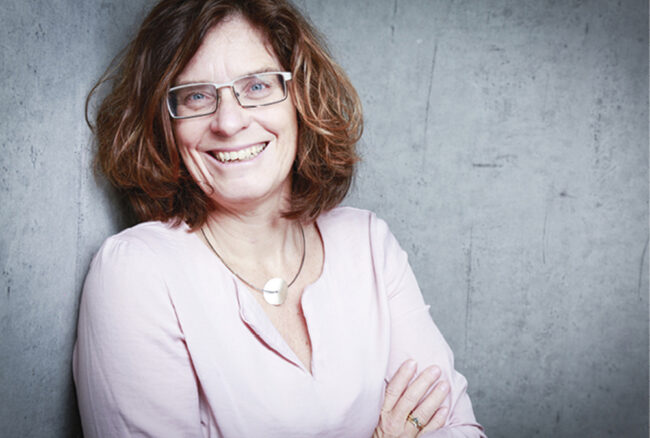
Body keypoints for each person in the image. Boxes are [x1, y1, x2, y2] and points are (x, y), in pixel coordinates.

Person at [73, 0, 486, 436]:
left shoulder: (367, 243)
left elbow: (460, 429)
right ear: (164, 124)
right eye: (196, 96)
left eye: (256, 86)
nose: (229, 122)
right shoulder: (136, 274)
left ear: (301, 98)